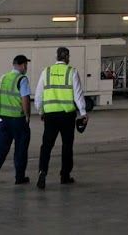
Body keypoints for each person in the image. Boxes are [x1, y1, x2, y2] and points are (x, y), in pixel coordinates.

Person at [36, 46, 87, 189]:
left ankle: (42, 172)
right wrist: (83, 113)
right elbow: (78, 94)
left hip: (50, 116)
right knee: (67, 146)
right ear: (67, 57)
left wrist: (40, 111)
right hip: (67, 116)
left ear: (56, 57)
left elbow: (39, 95)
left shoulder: (46, 72)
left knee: (46, 146)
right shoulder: (72, 72)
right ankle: (64, 175)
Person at [0, 55, 33, 187]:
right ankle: (19, 177)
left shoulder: (3, 78)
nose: (26, 67)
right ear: (22, 65)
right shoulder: (22, 79)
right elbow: (25, 98)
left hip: (3, 119)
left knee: (2, 149)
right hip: (17, 119)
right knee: (21, 149)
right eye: (26, 65)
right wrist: (27, 114)